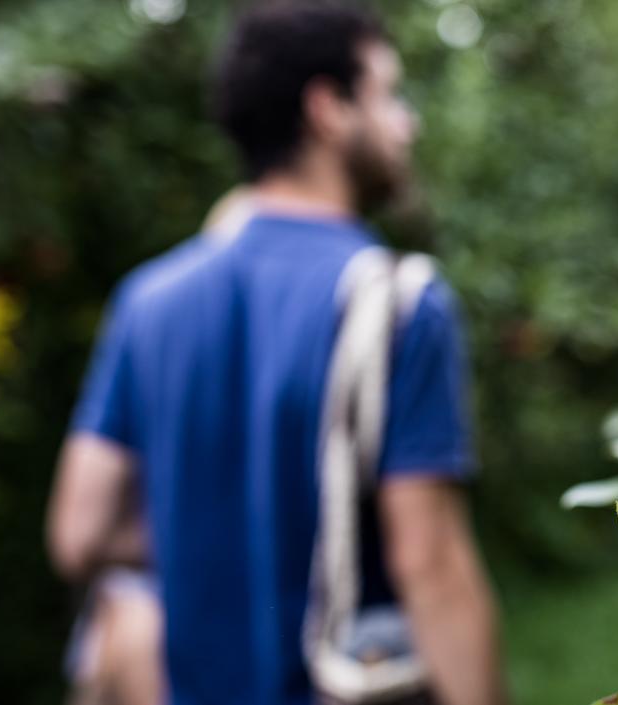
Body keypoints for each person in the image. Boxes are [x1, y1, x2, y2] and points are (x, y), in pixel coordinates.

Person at [45, 3, 504, 704]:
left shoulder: (147, 300)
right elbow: (431, 566)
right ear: (327, 108)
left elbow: (79, 532)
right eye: (387, 95)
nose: (408, 124)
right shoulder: (398, 302)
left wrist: (221, 526)